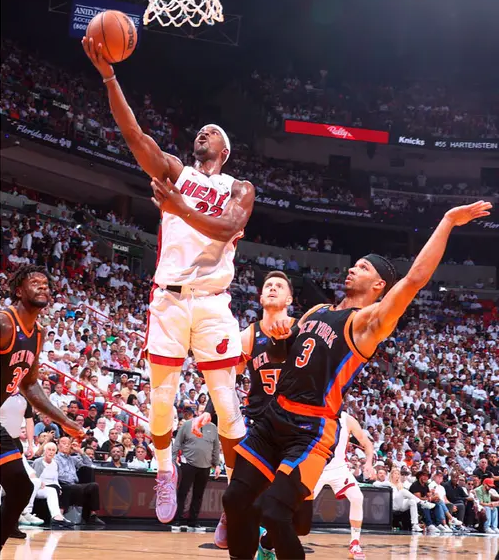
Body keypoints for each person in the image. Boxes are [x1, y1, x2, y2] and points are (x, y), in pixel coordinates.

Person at [222, 201, 491, 560]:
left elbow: (413, 280)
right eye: (355, 264)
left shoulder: (367, 323)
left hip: (310, 427)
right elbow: (280, 357)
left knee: (273, 513)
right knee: (234, 499)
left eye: (362, 267)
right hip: (273, 416)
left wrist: (445, 222)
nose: (352, 268)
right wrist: (281, 338)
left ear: (379, 284)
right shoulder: (318, 311)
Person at [83, 38, 254, 527]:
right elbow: (134, 135)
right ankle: (163, 472)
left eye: (211, 132)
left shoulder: (237, 188)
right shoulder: (175, 172)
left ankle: (236, 501)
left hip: (215, 303)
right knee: (161, 399)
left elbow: (227, 229)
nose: (202, 133)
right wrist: (110, 78)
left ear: (225, 150)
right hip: (170, 301)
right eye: (199, 131)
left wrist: (180, 209)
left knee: (225, 402)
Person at [192, 271, 302, 549]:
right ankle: (232, 513)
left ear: (290, 298)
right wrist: (209, 410)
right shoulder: (248, 335)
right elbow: (228, 380)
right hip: (259, 419)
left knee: (294, 514)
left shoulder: (302, 331)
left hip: (294, 423)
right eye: (268, 286)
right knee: (245, 485)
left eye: (279, 285)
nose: (273, 288)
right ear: (261, 297)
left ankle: (268, 539)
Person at [0, 266, 84, 548]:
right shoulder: (3, 323)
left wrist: (65, 421)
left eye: (46, 283)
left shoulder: (37, 333)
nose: (43, 287)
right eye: (35, 283)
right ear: (19, 291)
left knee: (22, 486)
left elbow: (30, 385)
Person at [308, 412, 375, 558]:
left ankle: (355, 543)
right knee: (299, 504)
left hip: (339, 469)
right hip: (316, 466)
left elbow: (366, 442)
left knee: (357, 497)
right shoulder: (315, 413)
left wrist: (369, 462)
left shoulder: (348, 419)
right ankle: (275, 538)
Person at [172, 405, 220, 530]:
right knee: (183, 492)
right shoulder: (187, 425)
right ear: (197, 412)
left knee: (198, 494)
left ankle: (193, 521)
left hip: (206, 466)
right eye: (202, 411)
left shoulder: (213, 428)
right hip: (188, 464)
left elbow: (215, 448)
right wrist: (172, 460)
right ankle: (178, 519)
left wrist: (217, 464)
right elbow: (177, 442)